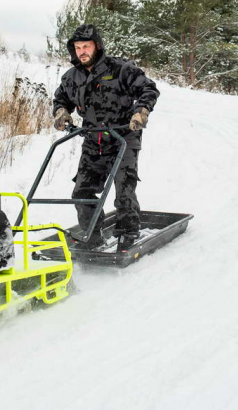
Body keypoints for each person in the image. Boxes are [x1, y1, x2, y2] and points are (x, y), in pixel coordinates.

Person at [52, 24, 159, 251]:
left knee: (124, 188)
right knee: (82, 192)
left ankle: (128, 234)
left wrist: (141, 111)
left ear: (97, 46)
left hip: (124, 136)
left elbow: (148, 89)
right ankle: (91, 237)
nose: (82, 52)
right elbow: (61, 99)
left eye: (86, 46)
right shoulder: (72, 77)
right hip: (93, 139)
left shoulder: (121, 69)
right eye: (78, 47)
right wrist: (61, 112)